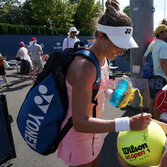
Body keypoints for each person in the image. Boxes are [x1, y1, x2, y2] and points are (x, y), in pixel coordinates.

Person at [57, 1, 152, 167]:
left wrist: (113, 94)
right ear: (100, 35)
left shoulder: (103, 59)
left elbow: (97, 89)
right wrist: (128, 123)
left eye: (125, 45)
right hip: (79, 137)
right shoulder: (85, 66)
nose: (122, 52)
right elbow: (79, 122)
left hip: (95, 132)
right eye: (118, 44)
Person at [142, 24, 167, 121]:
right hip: (160, 77)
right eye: (166, 31)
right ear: (160, 33)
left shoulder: (153, 44)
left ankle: (151, 120)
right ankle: (156, 123)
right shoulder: (164, 45)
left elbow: (144, 57)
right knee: (159, 102)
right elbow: (164, 63)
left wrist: (148, 69)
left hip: (151, 76)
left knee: (152, 99)